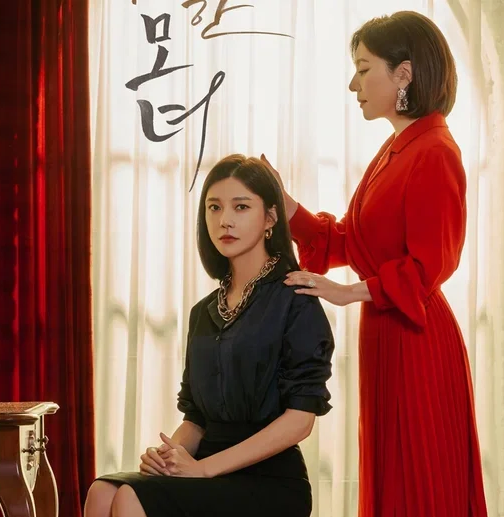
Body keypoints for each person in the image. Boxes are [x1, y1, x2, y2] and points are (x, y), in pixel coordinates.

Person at [261, 11, 488, 517]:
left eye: (364, 70)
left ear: (403, 73)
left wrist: (348, 292)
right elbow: (351, 240)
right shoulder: (398, 148)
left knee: (419, 477)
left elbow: (431, 264)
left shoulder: (434, 150)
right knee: (393, 474)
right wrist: (285, 203)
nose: (353, 84)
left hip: (416, 337)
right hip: (388, 331)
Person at [84, 154, 335, 517]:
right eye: (214, 207)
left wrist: (203, 469)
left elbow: (301, 420)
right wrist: (169, 456)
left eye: (241, 207)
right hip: (204, 466)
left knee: (130, 498)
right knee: (103, 491)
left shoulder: (295, 299)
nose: (224, 220)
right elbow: (196, 418)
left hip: (270, 480)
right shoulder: (203, 312)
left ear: (270, 218)